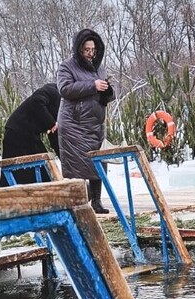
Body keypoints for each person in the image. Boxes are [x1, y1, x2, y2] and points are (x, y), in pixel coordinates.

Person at [57, 29, 115, 213]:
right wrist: (92, 85)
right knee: (77, 165)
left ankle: (96, 202)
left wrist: (107, 91)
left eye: (93, 49)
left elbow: (101, 91)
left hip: (95, 123)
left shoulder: (99, 67)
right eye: (86, 49)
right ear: (79, 49)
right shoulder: (67, 66)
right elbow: (65, 89)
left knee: (98, 162)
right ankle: (77, 202)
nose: (90, 53)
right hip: (74, 123)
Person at [0, 83, 62, 187]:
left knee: (45, 170)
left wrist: (64, 158)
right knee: (15, 175)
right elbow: (36, 101)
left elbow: (54, 135)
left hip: (30, 136)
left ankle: (47, 198)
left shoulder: (63, 110)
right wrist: (51, 123)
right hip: (16, 132)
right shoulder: (52, 90)